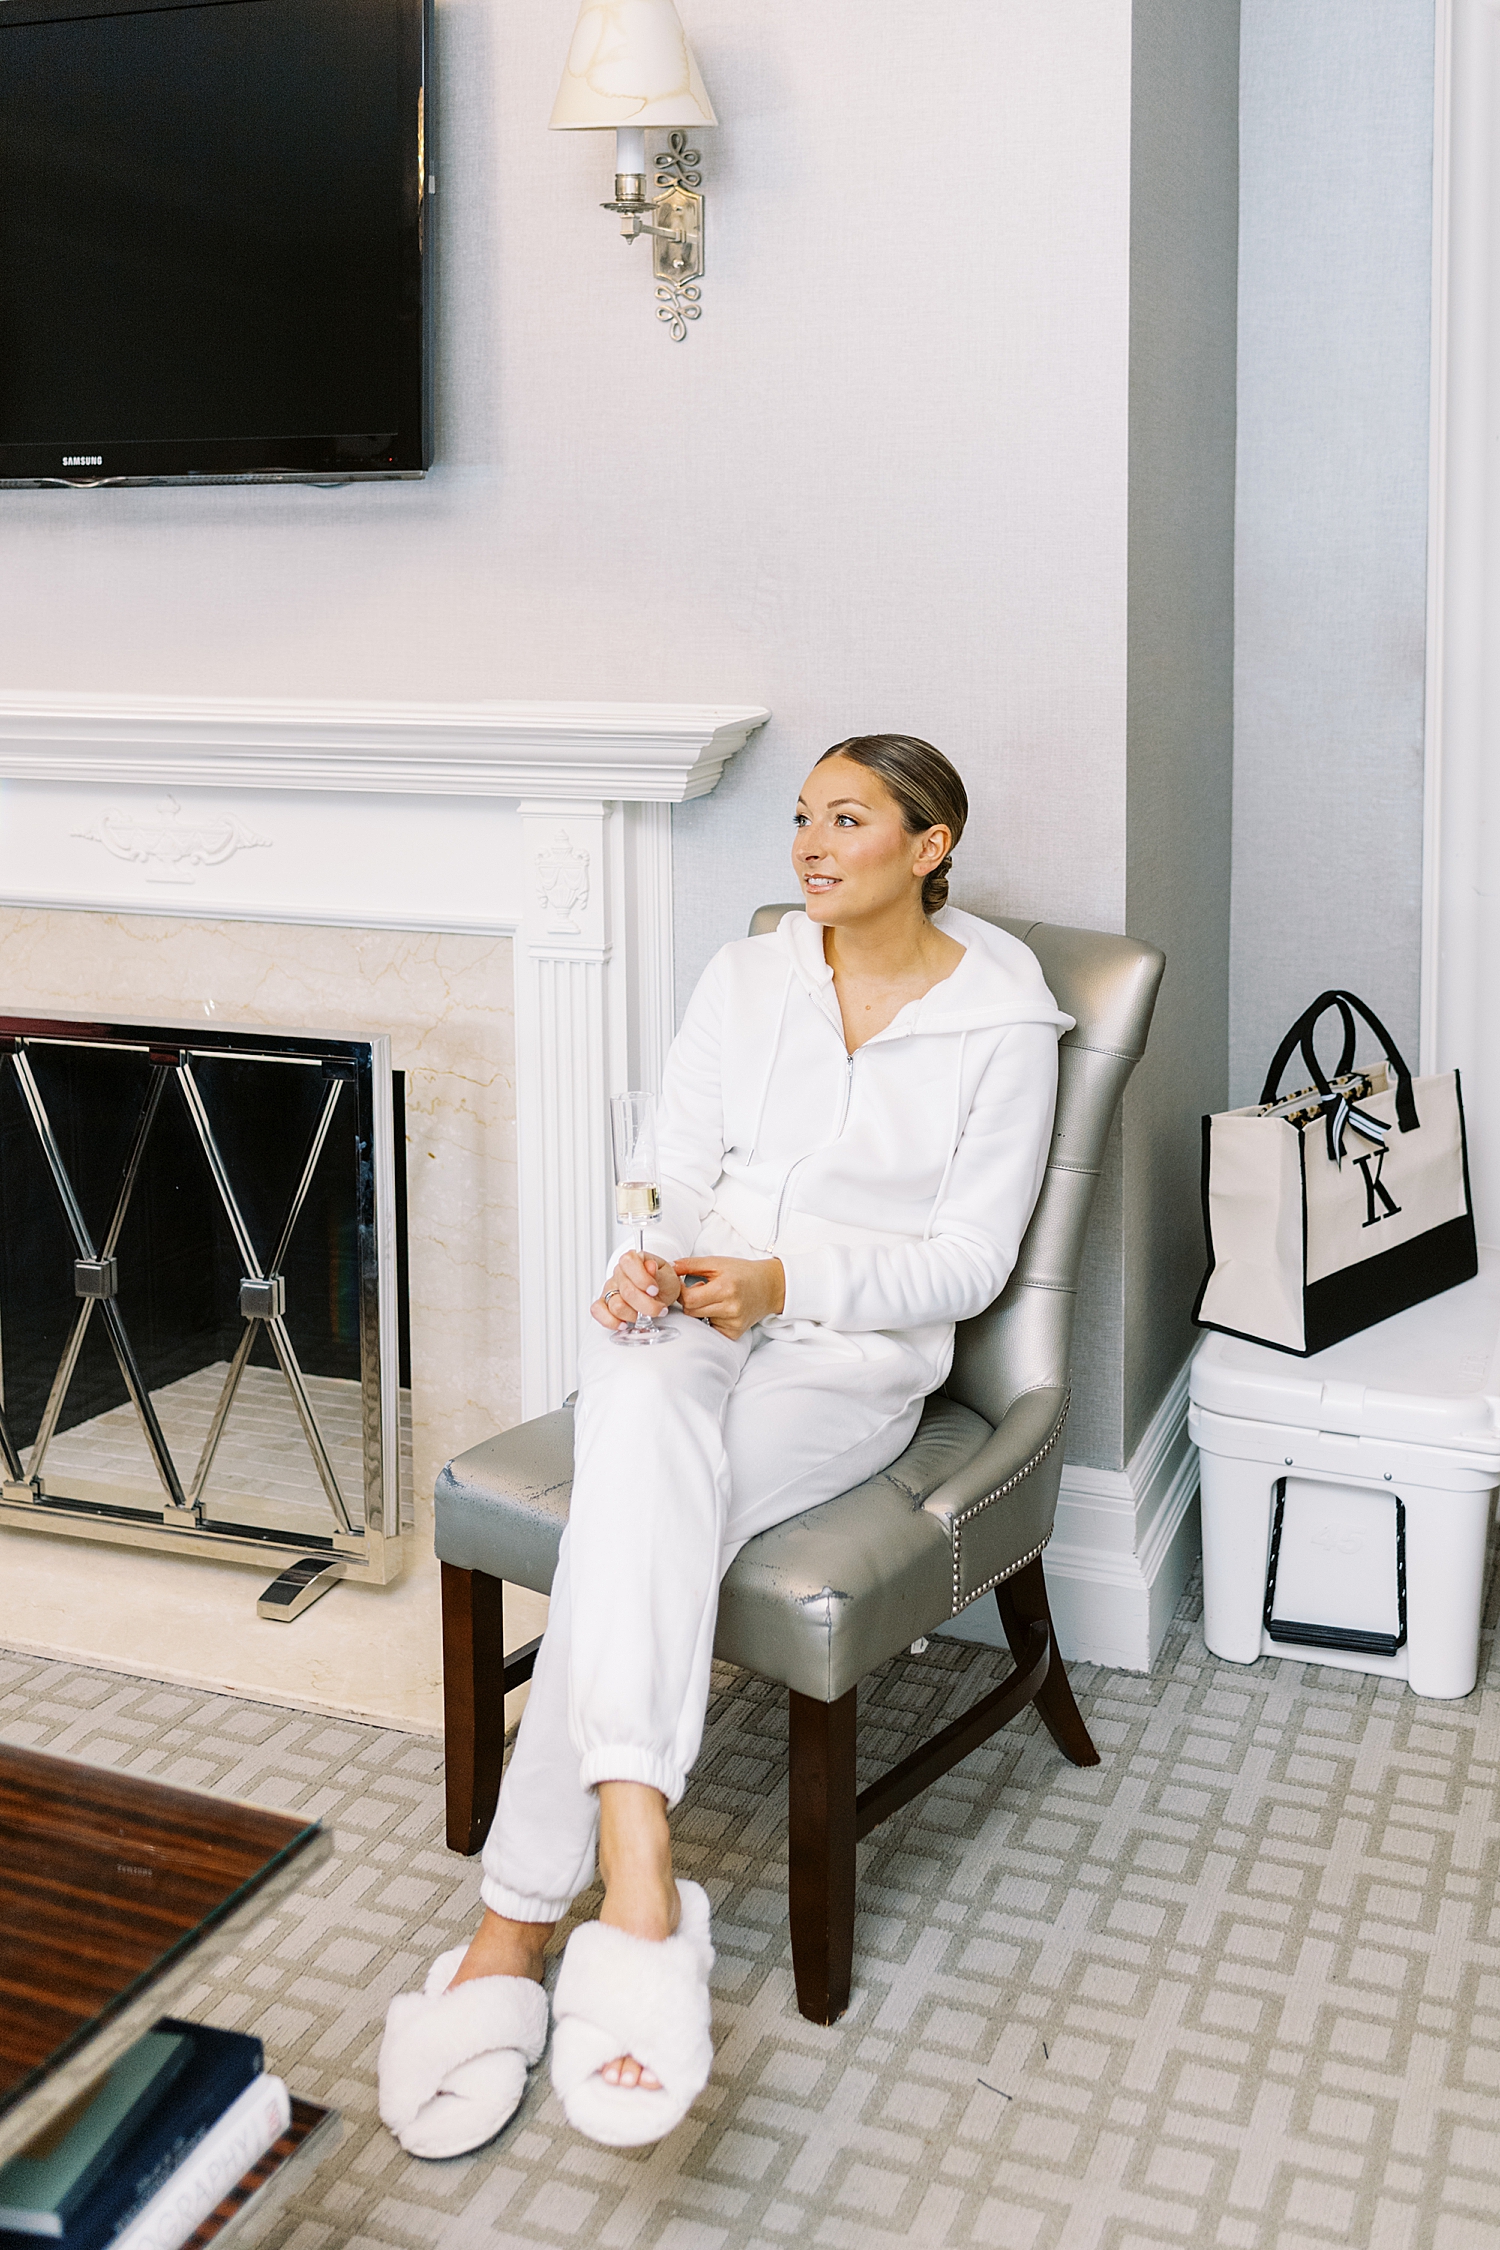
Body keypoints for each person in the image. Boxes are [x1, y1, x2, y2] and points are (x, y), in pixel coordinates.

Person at [378, 734, 1072, 2157]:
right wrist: (643, 1250)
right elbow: (670, 1159)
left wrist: (787, 1281)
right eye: (804, 818)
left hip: (846, 1354)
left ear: (930, 844)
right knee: (638, 1410)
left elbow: (969, 1260)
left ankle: (513, 1929)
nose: (811, 843)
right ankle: (638, 1890)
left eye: (849, 818)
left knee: (635, 1523)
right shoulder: (748, 975)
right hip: (692, 1305)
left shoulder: (1002, 1024)